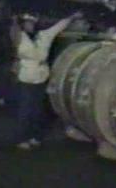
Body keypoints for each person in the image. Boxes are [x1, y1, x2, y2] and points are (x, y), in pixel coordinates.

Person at [11, 11, 83, 150]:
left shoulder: (44, 36)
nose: (30, 25)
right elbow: (13, 30)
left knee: (37, 109)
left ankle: (34, 136)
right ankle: (22, 138)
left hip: (40, 77)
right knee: (25, 110)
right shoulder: (20, 37)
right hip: (26, 78)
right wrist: (15, 20)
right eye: (27, 23)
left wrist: (72, 17)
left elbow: (59, 26)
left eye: (32, 23)